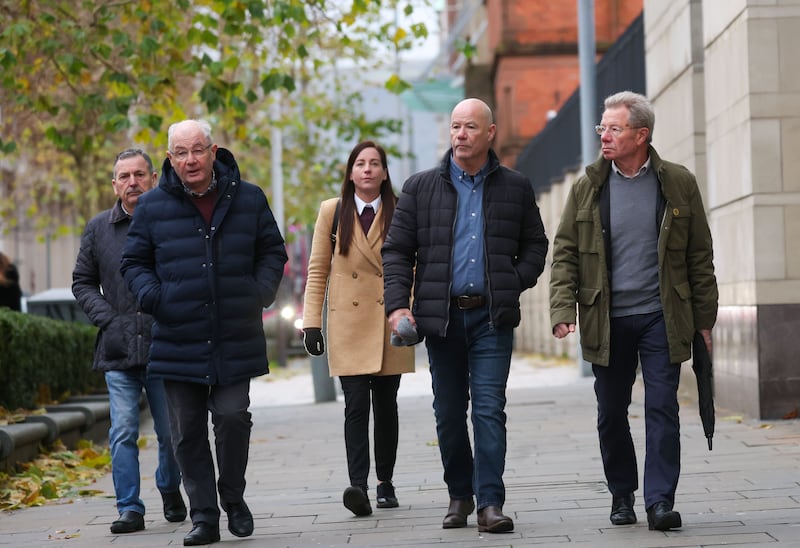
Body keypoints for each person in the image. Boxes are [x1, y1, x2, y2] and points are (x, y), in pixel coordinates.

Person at [549, 91, 718, 531]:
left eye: (614, 128)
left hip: (662, 315)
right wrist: (562, 308)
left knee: (662, 406)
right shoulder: (588, 186)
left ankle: (659, 500)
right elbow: (565, 252)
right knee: (611, 412)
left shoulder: (678, 182)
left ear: (641, 135)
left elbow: (700, 255)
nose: (604, 136)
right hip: (606, 318)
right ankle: (621, 492)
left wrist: (704, 320)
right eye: (602, 128)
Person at [382, 98, 549, 533]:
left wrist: (513, 280)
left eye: (470, 127)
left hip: (492, 320)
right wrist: (399, 304)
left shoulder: (515, 186)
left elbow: (536, 245)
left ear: (490, 133)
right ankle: (460, 493)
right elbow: (397, 251)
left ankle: (490, 503)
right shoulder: (420, 188)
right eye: (455, 126)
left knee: (489, 410)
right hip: (442, 323)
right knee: (449, 414)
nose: (460, 134)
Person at [121, 120, 287, 546]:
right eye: (181, 153)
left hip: (235, 331)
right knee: (187, 432)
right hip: (177, 336)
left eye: (197, 150)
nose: (190, 160)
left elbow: (272, 250)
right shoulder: (154, 206)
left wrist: (258, 292)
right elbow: (133, 263)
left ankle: (233, 497)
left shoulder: (248, 198)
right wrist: (156, 298)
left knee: (232, 417)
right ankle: (204, 518)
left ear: (213, 151)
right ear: (170, 158)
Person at [72, 149, 187, 534]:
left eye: (139, 174)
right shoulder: (98, 228)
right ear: (114, 183)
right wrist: (109, 320)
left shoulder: (171, 220)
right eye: (124, 176)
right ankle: (129, 509)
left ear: (153, 178)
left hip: (164, 343)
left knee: (171, 433)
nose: (132, 182)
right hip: (118, 348)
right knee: (122, 430)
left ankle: (170, 487)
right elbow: (83, 281)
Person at [302, 141, 415, 517]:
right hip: (347, 325)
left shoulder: (400, 211)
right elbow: (318, 269)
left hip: (389, 323)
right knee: (354, 407)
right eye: (360, 164)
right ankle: (359, 486)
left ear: (384, 172)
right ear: (350, 172)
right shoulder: (332, 212)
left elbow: (415, 267)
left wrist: (412, 314)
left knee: (386, 406)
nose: (367, 170)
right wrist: (311, 322)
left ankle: (385, 482)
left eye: (375, 164)